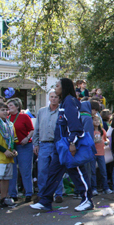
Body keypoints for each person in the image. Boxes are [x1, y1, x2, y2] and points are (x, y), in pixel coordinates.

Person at [30, 78, 94, 212]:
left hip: (67, 145)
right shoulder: (64, 102)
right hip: (59, 146)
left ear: (64, 87)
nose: (55, 87)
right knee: (52, 173)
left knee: (78, 173)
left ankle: (87, 200)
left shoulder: (69, 102)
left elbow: (74, 125)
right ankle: (45, 201)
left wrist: (72, 143)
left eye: (57, 85)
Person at [32, 90, 64, 204]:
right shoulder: (41, 111)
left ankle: (58, 194)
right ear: (49, 98)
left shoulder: (62, 111)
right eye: (51, 97)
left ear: (59, 99)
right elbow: (37, 129)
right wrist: (35, 144)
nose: (53, 99)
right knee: (42, 170)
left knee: (56, 170)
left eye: (56, 97)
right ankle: (41, 194)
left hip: (57, 144)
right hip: (44, 144)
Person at [7, 98, 34, 203]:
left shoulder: (24, 116)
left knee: (25, 170)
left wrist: (27, 138)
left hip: (24, 146)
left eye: (11, 105)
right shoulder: (7, 118)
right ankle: (13, 194)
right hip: (12, 147)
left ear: (17, 107)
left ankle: (28, 193)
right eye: (8, 106)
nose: (9, 108)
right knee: (12, 172)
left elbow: (32, 130)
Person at [0, 102, 18, 207]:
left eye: (6, 110)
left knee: (6, 178)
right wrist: (4, 151)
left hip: (8, 157)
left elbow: (13, 139)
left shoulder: (10, 124)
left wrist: (13, 150)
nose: (5, 112)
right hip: (1, 156)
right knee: (0, 178)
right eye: (2, 110)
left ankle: (4, 197)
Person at [91, 115, 112, 195]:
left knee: (103, 171)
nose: (97, 122)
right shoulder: (90, 131)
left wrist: (107, 142)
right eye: (95, 120)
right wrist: (94, 141)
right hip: (93, 153)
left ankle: (105, 187)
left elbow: (106, 139)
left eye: (98, 120)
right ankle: (94, 188)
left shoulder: (102, 131)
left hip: (101, 153)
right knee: (93, 171)